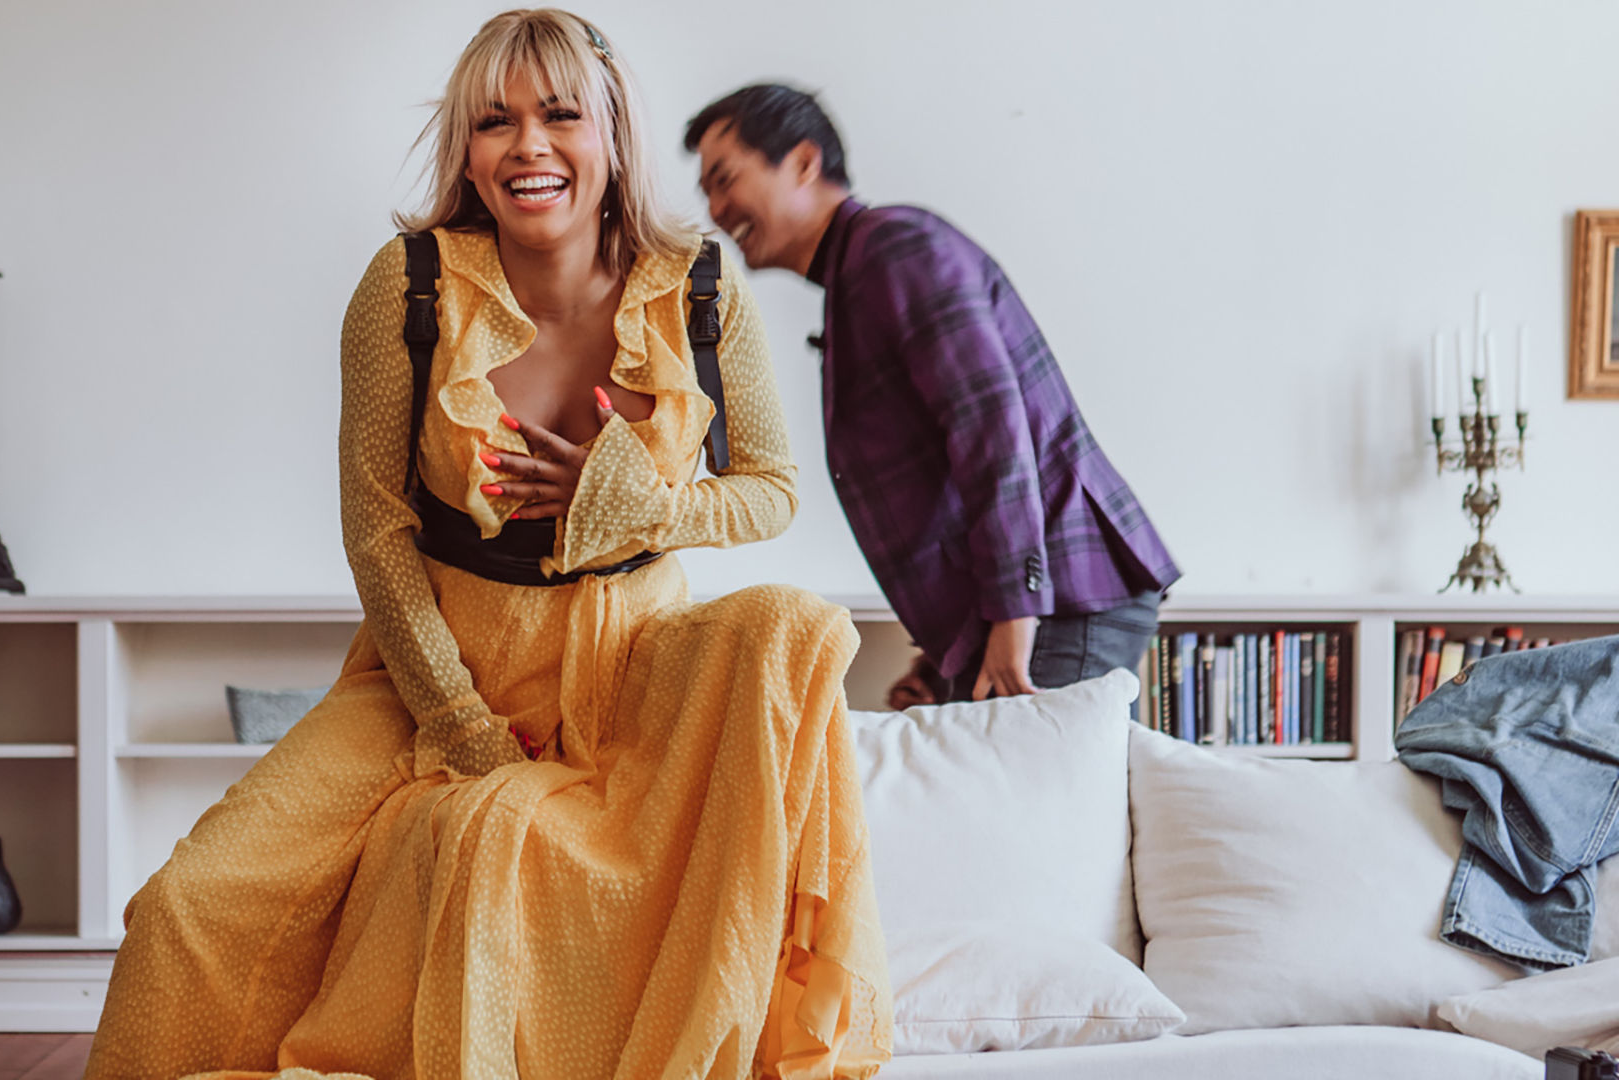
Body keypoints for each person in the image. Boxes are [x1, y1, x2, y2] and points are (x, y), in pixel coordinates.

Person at [84, 15, 889, 1080]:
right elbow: (377, 530)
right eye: (494, 122)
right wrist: (461, 724)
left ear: (612, 135)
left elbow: (769, 491)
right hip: (436, 661)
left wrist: (629, 502)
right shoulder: (408, 285)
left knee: (789, 629)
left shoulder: (697, 285)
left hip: (629, 654)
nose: (528, 146)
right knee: (192, 904)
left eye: (560, 115)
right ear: (466, 153)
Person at [684, 85, 1181, 710]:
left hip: (1058, 606)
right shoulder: (861, 274)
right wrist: (941, 664)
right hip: (1042, 607)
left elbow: (989, 425)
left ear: (804, 162)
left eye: (725, 179)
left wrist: (1015, 613)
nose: (716, 209)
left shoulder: (894, 248)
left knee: (1034, 781)